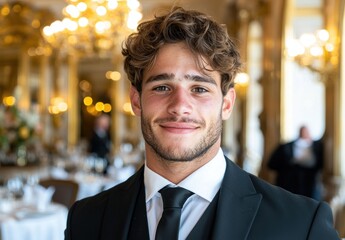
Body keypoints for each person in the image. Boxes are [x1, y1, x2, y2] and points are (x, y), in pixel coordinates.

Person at [65, 7, 339, 239]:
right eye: (162, 87)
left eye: (199, 89)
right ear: (137, 101)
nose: (180, 106)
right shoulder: (86, 219)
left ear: (227, 104)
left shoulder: (302, 224)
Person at [268, 125, 324, 200]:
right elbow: (271, 164)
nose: (305, 134)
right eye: (303, 131)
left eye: (306, 132)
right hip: (288, 184)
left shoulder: (317, 147)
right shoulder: (286, 147)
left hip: (310, 184)